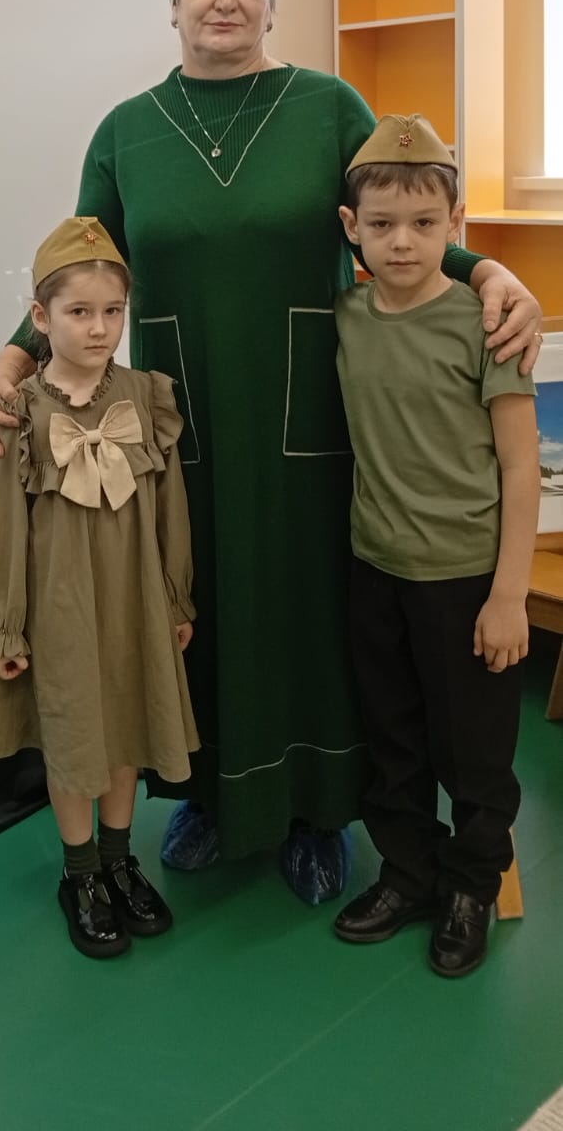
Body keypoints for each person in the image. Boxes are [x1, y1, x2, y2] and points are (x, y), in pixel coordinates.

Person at [0, 0, 544, 904]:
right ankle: (209, 796)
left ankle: (317, 809)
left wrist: (487, 268)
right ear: (174, 2)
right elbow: (83, 266)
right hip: (180, 421)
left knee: (308, 609)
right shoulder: (127, 131)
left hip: (309, 421)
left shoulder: (327, 107)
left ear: (273, 3)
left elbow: (398, 217)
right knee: (192, 605)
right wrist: (15, 352)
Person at [331, 114, 538, 977]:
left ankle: (471, 886)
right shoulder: (345, 317)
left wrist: (509, 595)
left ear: (455, 224)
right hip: (376, 568)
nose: (402, 242)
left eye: (424, 223)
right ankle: (409, 875)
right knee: (395, 741)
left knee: (475, 754)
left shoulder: (488, 326)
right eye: (381, 224)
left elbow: (520, 467)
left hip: (467, 579)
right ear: (351, 228)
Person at [0, 217, 199, 959]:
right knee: (73, 734)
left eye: (112, 311)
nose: (99, 328)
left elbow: (169, 508)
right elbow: (7, 527)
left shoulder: (144, 395)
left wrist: (175, 596)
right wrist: (5, 624)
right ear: (41, 319)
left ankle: (119, 857)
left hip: (134, 596)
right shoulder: (24, 410)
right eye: (79, 312)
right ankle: (80, 875)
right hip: (59, 603)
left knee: (127, 722)